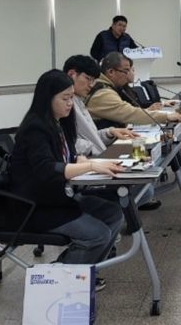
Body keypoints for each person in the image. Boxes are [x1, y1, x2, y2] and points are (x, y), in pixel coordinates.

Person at [8, 69, 125, 288]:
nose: (70, 103)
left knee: (114, 213)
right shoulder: (35, 128)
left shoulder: (58, 123)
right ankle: (61, 278)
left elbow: (66, 158)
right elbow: (47, 169)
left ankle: (83, 271)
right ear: (47, 98)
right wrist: (90, 165)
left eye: (72, 97)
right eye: (65, 98)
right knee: (98, 234)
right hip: (36, 206)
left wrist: (86, 161)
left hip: (58, 198)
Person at [63, 55, 163, 211]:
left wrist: (110, 132)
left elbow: (90, 136)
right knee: (143, 188)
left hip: (97, 159)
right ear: (72, 75)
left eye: (93, 80)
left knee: (145, 173)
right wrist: (95, 152)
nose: (91, 85)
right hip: (88, 167)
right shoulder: (66, 106)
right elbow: (68, 145)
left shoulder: (78, 100)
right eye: (88, 79)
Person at [86, 52, 181, 128]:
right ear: (111, 72)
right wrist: (165, 117)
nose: (129, 74)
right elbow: (129, 113)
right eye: (126, 71)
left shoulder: (111, 87)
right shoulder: (103, 93)